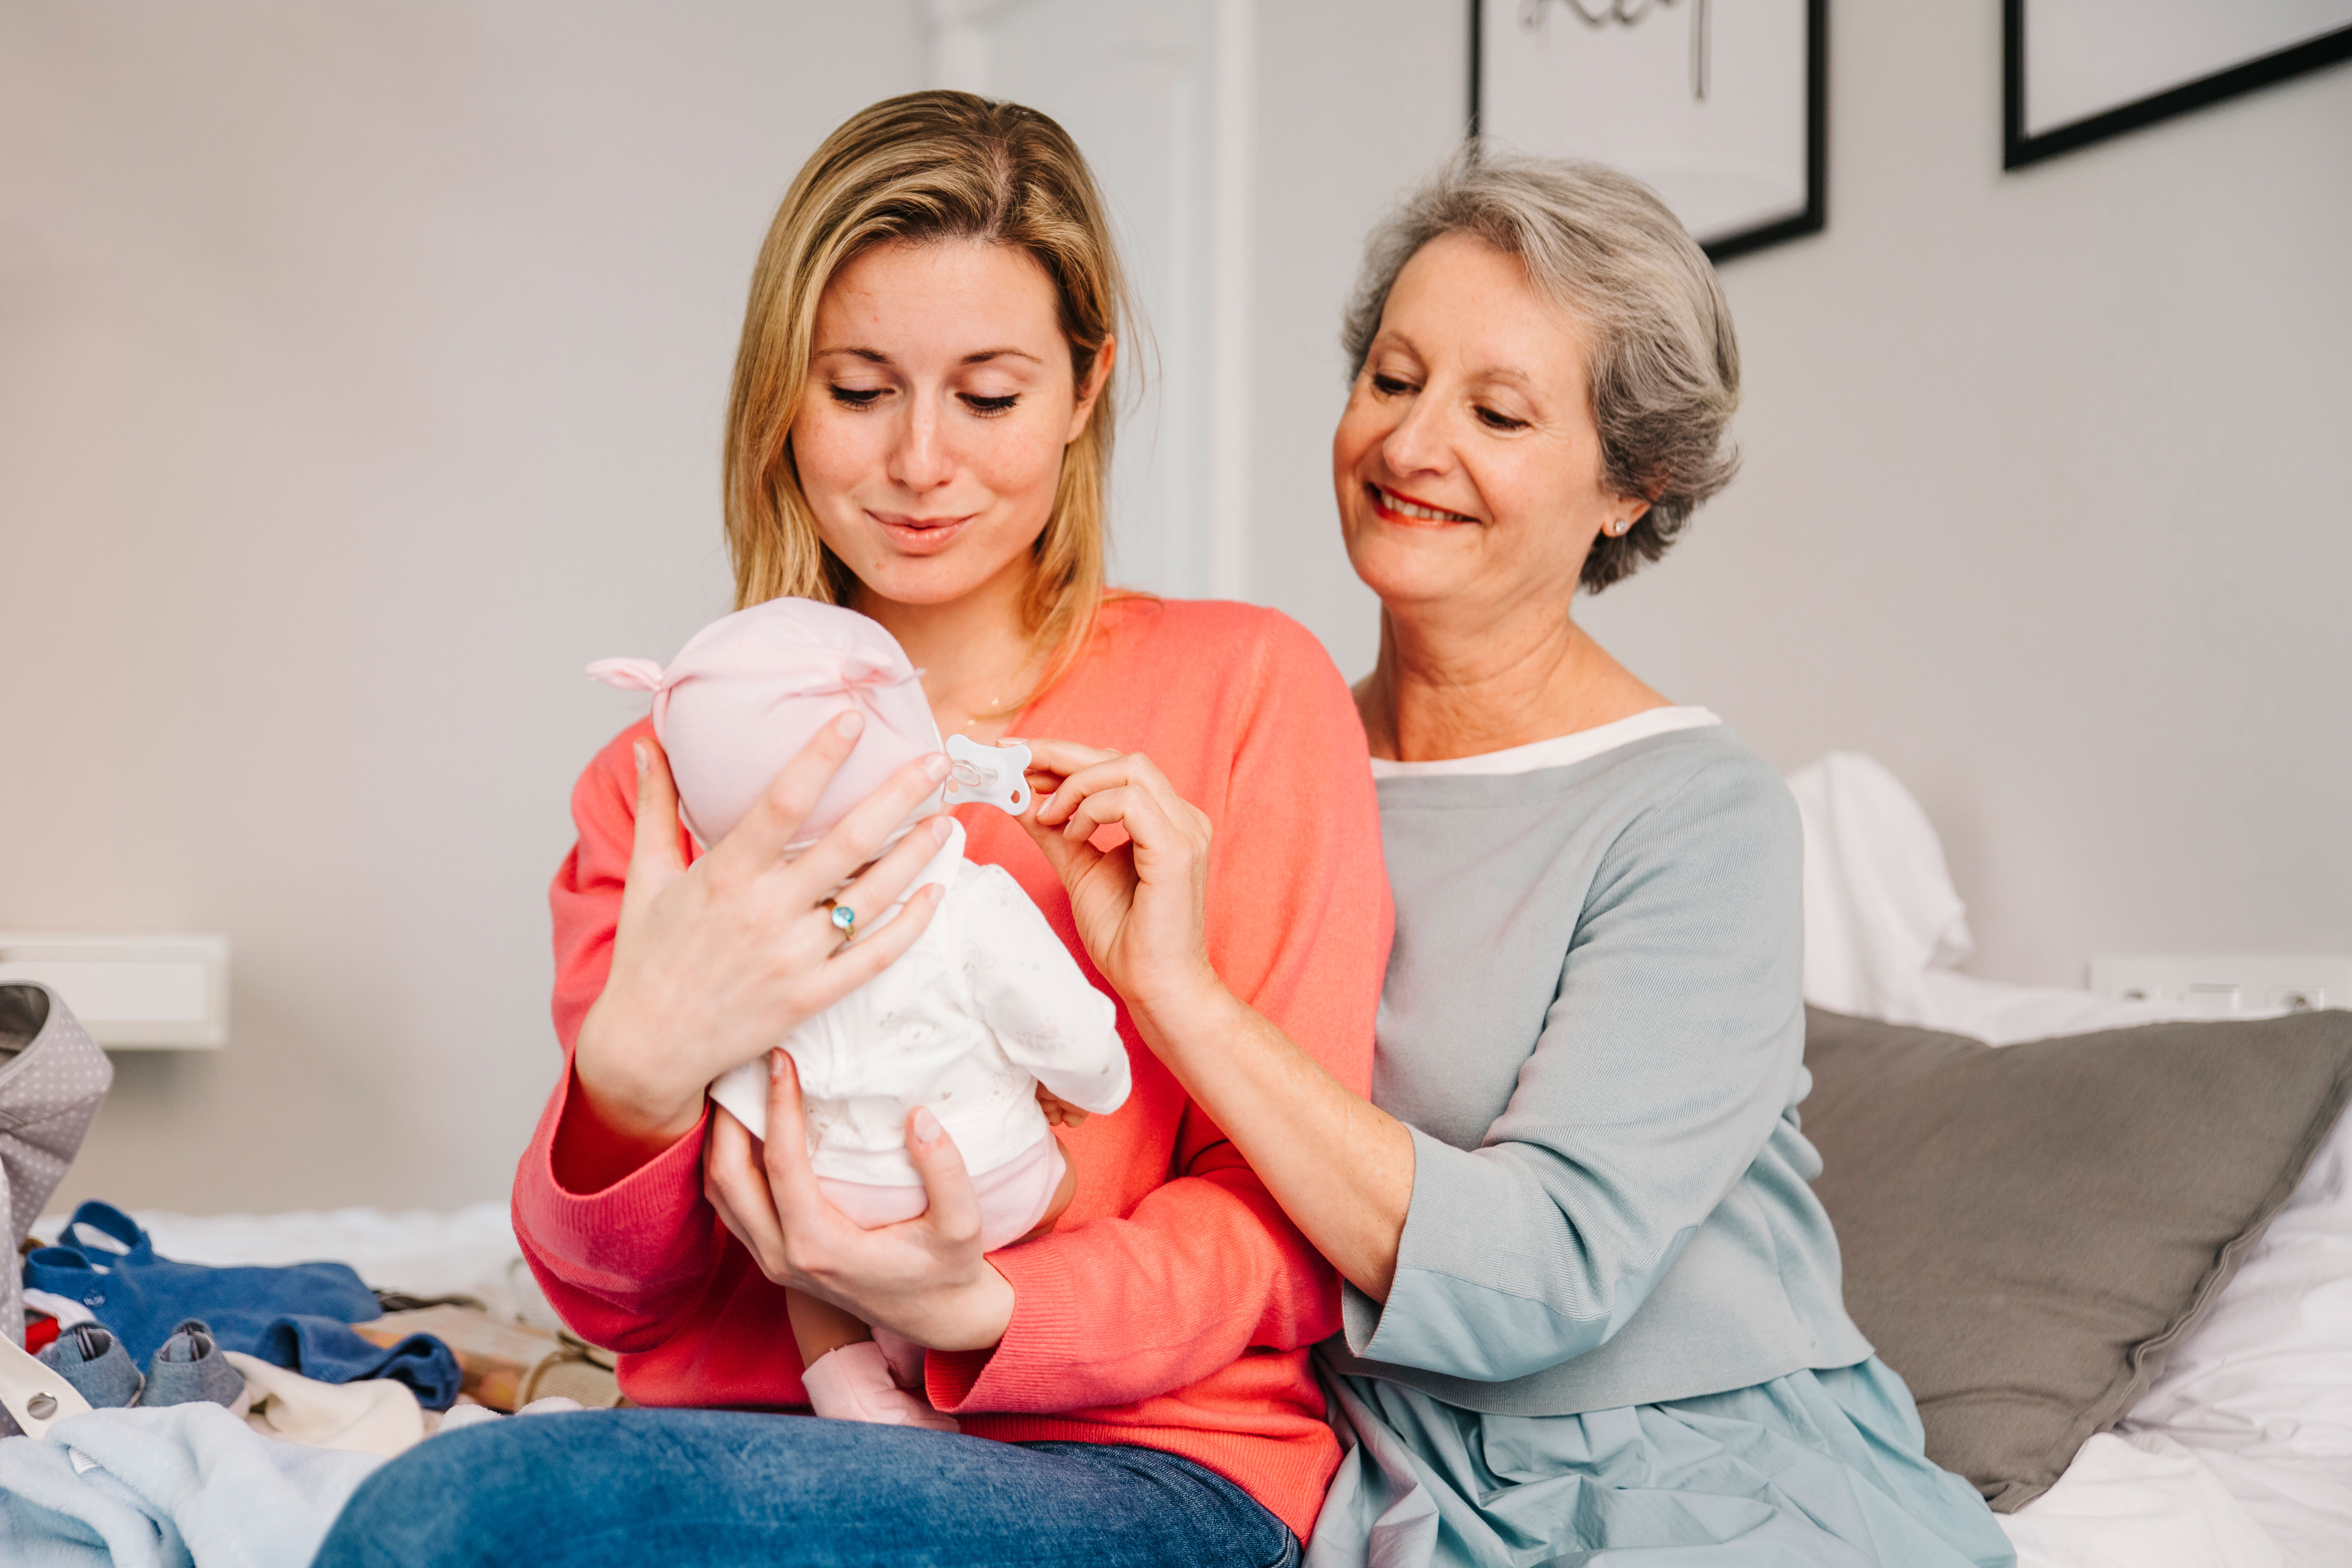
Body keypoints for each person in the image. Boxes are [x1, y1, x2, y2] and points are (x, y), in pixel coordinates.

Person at [314, 90, 1387, 1567]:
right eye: (861, 388)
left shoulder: (1245, 689)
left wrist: (991, 1312)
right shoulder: (665, 767)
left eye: (990, 395)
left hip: (1135, 1459)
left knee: (450, 1522)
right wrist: (627, 1083)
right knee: (445, 1511)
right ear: (782, 395)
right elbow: (620, 1303)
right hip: (766, 1425)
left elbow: (1286, 1227)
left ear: (1088, 389)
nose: (921, 462)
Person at [1010, 152, 2018, 1564]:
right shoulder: (1252, 753)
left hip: (1682, 1467)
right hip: (1337, 1451)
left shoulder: (1698, 817)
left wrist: (1187, 1000)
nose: (1412, 445)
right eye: (1393, 377)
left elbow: (1549, 1273)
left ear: (1631, 484)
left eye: (1496, 410)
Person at [585, 596, 1131, 1430]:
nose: (921, 464)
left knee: (796, 1223)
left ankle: (852, 1382)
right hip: (989, 1177)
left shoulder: (734, 931)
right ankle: (927, 1351)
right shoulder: (969, 898)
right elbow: (1073, 1035)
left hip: (822, 1190)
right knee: (1056, 1182)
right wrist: (1088, 1088)